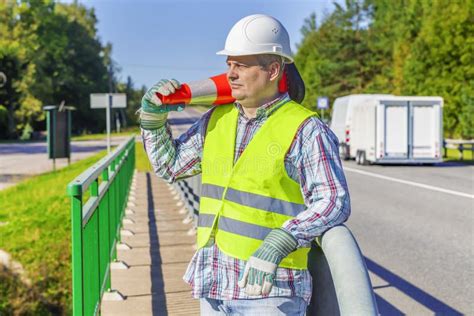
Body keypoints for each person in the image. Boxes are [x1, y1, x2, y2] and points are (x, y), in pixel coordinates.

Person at [139, 14, 351, 316]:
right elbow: (169, 166)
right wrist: (153, 121)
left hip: (268, 289)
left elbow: (334, 200)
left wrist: (285, 237)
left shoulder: (305, 129)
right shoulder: (215, 120)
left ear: (273, 69)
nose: (230, 74)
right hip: (214, 283)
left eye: (241, 65)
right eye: (229, 65)